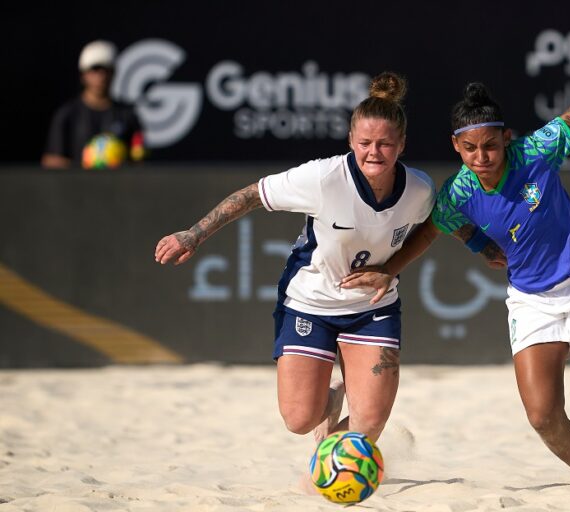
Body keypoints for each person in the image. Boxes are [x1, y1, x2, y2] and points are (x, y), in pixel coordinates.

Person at [341, 32, 570, 489]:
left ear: (506, 138)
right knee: (544, 418)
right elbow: (435, 229)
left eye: (489, 146)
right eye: (470, 149)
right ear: (456, 146)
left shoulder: (536, 153)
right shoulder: (458, 192)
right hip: (531, 300)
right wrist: (477, 248)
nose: (481, 157)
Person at [154, 72, 437, 444]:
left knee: (368, 426)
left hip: (373, 307)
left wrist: (391, 270)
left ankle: (326, 474)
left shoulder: (418, 189)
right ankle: (333, 395)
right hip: (311, 302)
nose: (374, 152)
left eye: (385, 144)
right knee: (300, 420)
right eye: (365, 142)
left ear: (402, 144)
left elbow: (435, 225)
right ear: (350, 140)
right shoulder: (323, 178)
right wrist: (193, 234)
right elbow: (252, 195)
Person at [42, 40, 144, 169]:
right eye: (95, 70)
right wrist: (87, 167)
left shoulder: (128, 115)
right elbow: (51, 160)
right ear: (83, 74)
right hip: (76, 186)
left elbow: (139, 160)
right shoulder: (67, 114)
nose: (101, 76)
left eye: (106, 70)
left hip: (117, 187)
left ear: (114, 73)